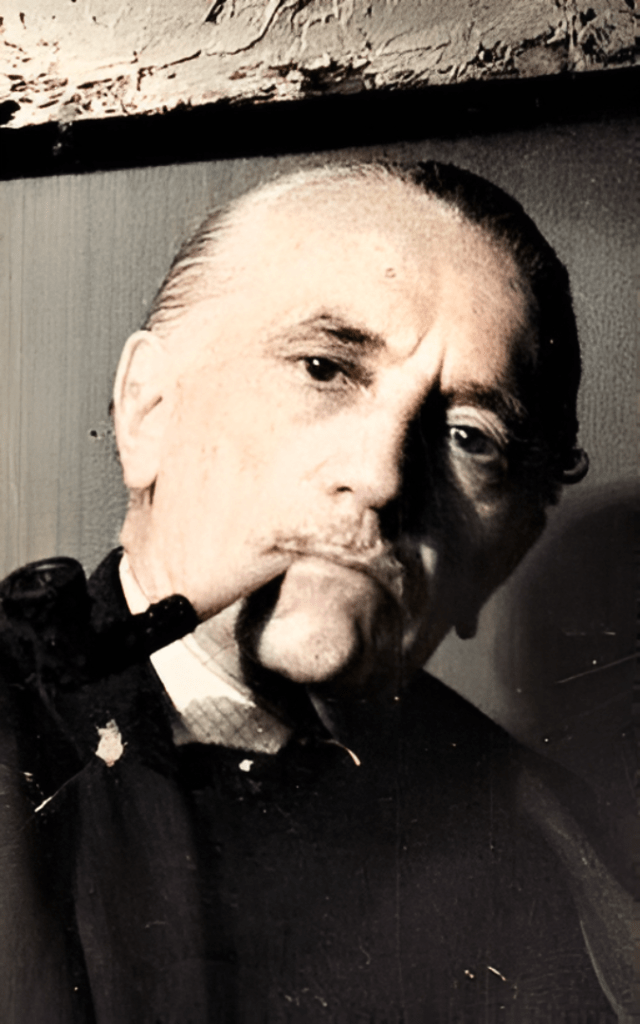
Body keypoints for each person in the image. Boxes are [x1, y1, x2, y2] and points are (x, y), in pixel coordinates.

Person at [0, 160, 634, 1023]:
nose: (381, 478)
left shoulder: (561, 845)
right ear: (146, 410)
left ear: (510, 546)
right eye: (324, 369)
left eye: (469, 437)